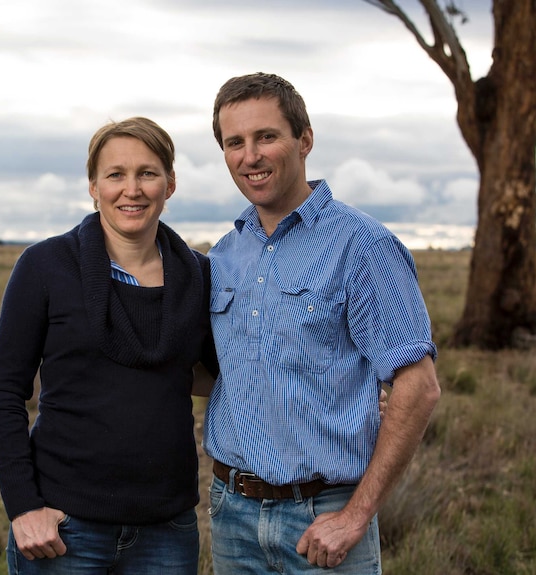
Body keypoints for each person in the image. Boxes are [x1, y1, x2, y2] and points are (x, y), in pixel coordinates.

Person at [203, 72, 441, 574]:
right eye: (234, 142)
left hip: (323, 518)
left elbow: (417, 386)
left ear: (304, 140)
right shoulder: (224, 256)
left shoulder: (362, 246)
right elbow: (214, 374)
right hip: (232, 515)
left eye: (266, 136)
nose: (251, 156)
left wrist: (355, 517)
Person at [0, 116, 217, 575]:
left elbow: (227, 373)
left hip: (165, 529)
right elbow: (4, 392)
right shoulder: (45, 266)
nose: (132, 189)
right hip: (64, 528)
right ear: (93, 185)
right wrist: (23, 506)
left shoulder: (199, 276)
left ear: (169, 184)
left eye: (148, 173)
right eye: (115, 175)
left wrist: (349, 387)